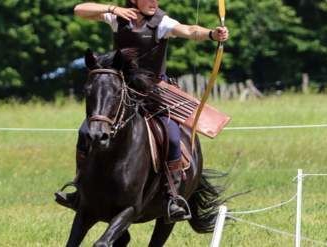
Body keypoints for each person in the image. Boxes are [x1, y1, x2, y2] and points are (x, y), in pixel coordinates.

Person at [55, 0, 229, 223]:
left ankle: (172, 197)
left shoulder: (162, 22)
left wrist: (213, 34)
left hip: (153, 92)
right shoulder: (119, 18)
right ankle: (79, 188)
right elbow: (79, 10)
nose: (154, 2)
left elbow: (189, 30)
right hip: (122, 92)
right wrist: (112, 9)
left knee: (173, 137)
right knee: (85, 131)